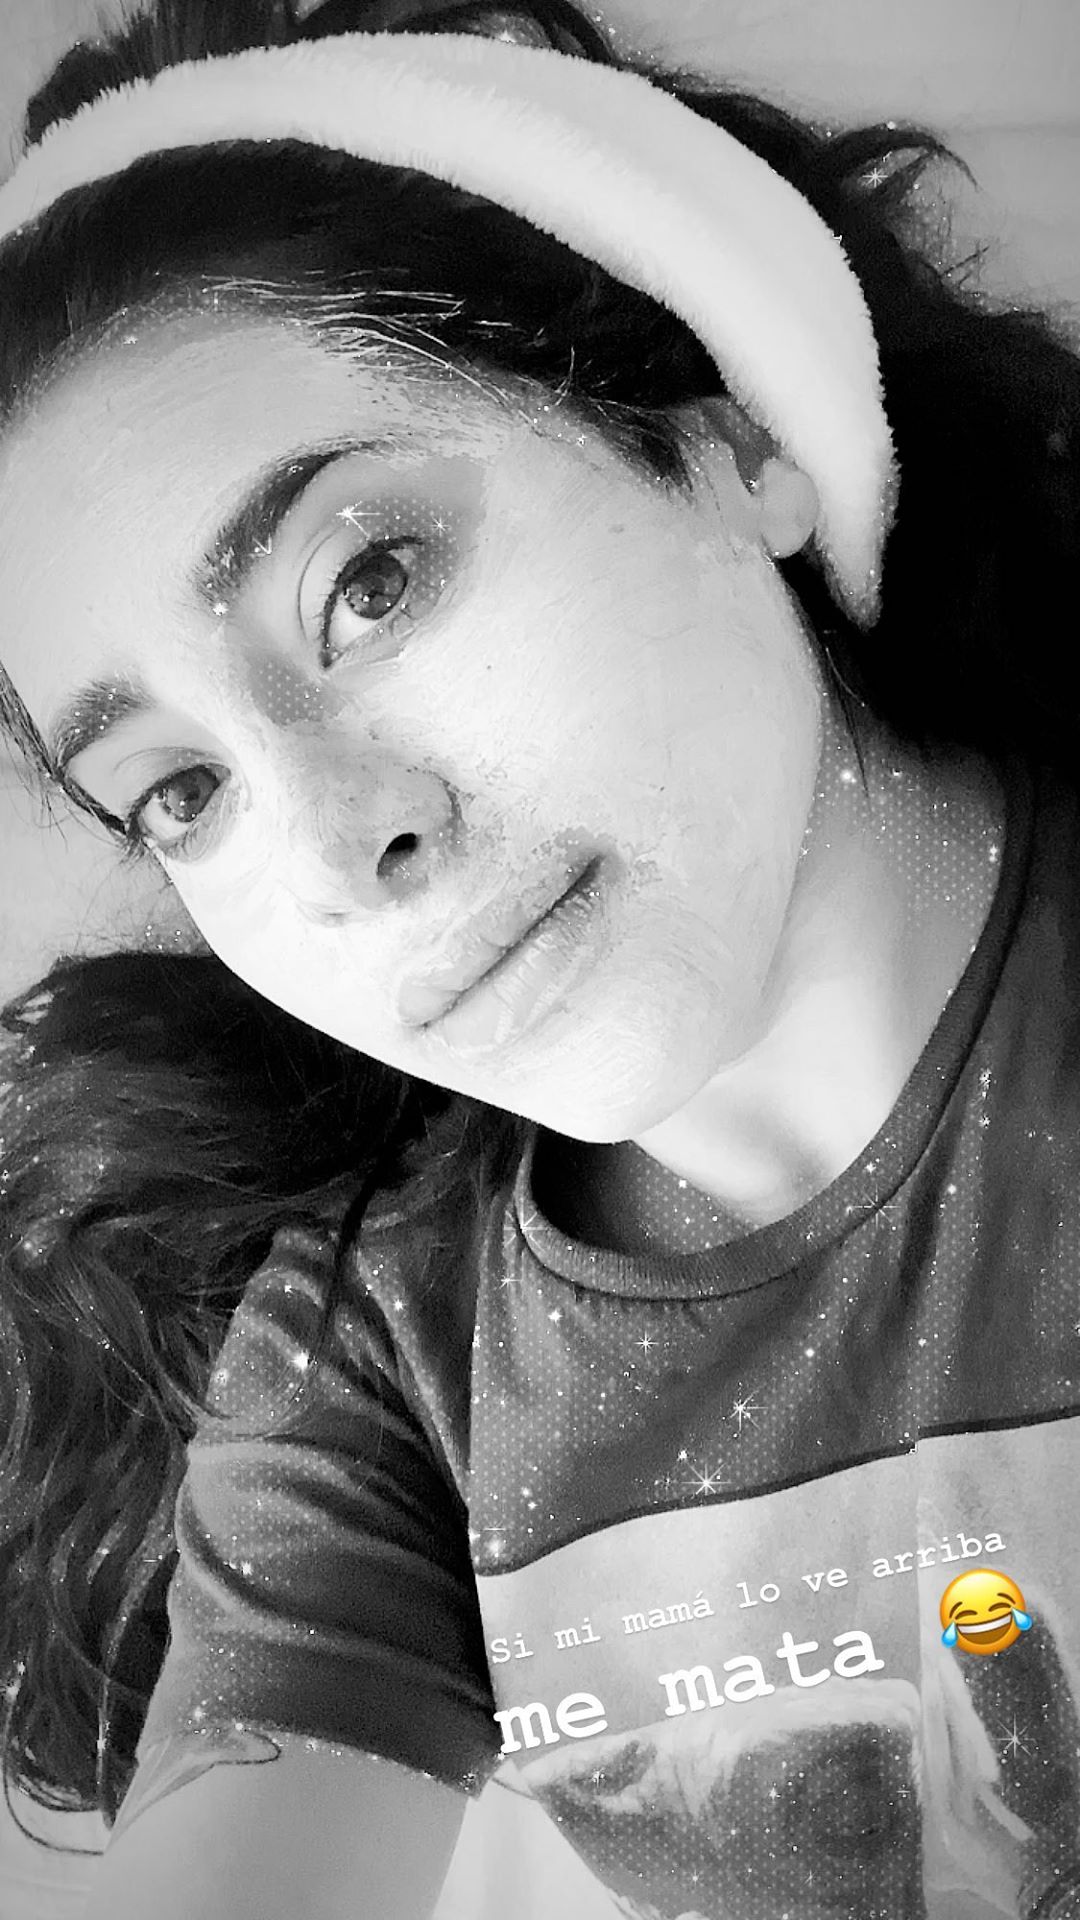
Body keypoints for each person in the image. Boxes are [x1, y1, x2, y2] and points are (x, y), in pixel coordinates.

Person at [0, 0, 1078, 1914]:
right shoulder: (371, 1363)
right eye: (181, 791)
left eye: (370, 583)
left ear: (731, 439)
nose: (340, 848)